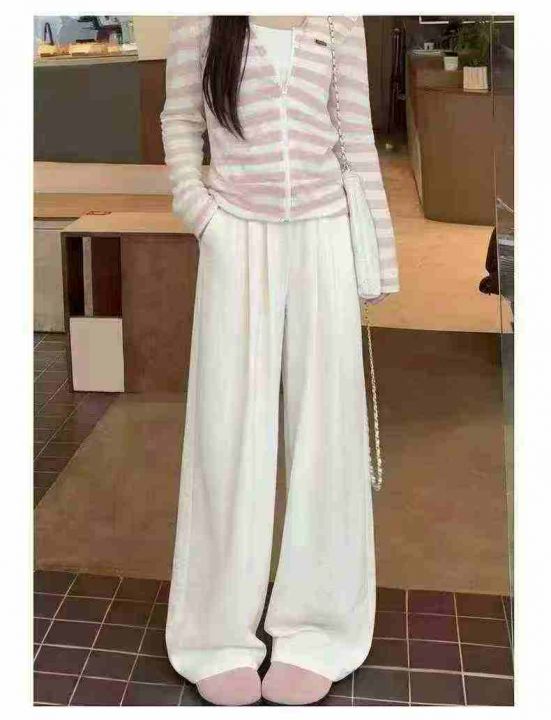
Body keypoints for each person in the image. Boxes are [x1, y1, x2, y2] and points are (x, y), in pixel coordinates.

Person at [160, 14, 400, 706]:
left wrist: (377, 260)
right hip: (236, 234)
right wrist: (201, 215)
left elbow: (355, 136)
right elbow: (181, 119)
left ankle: (316, 629)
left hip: (323, 234)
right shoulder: (200, 18)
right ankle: (216, 635)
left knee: (326, 436)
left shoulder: (339, 17)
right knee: (227, 432)